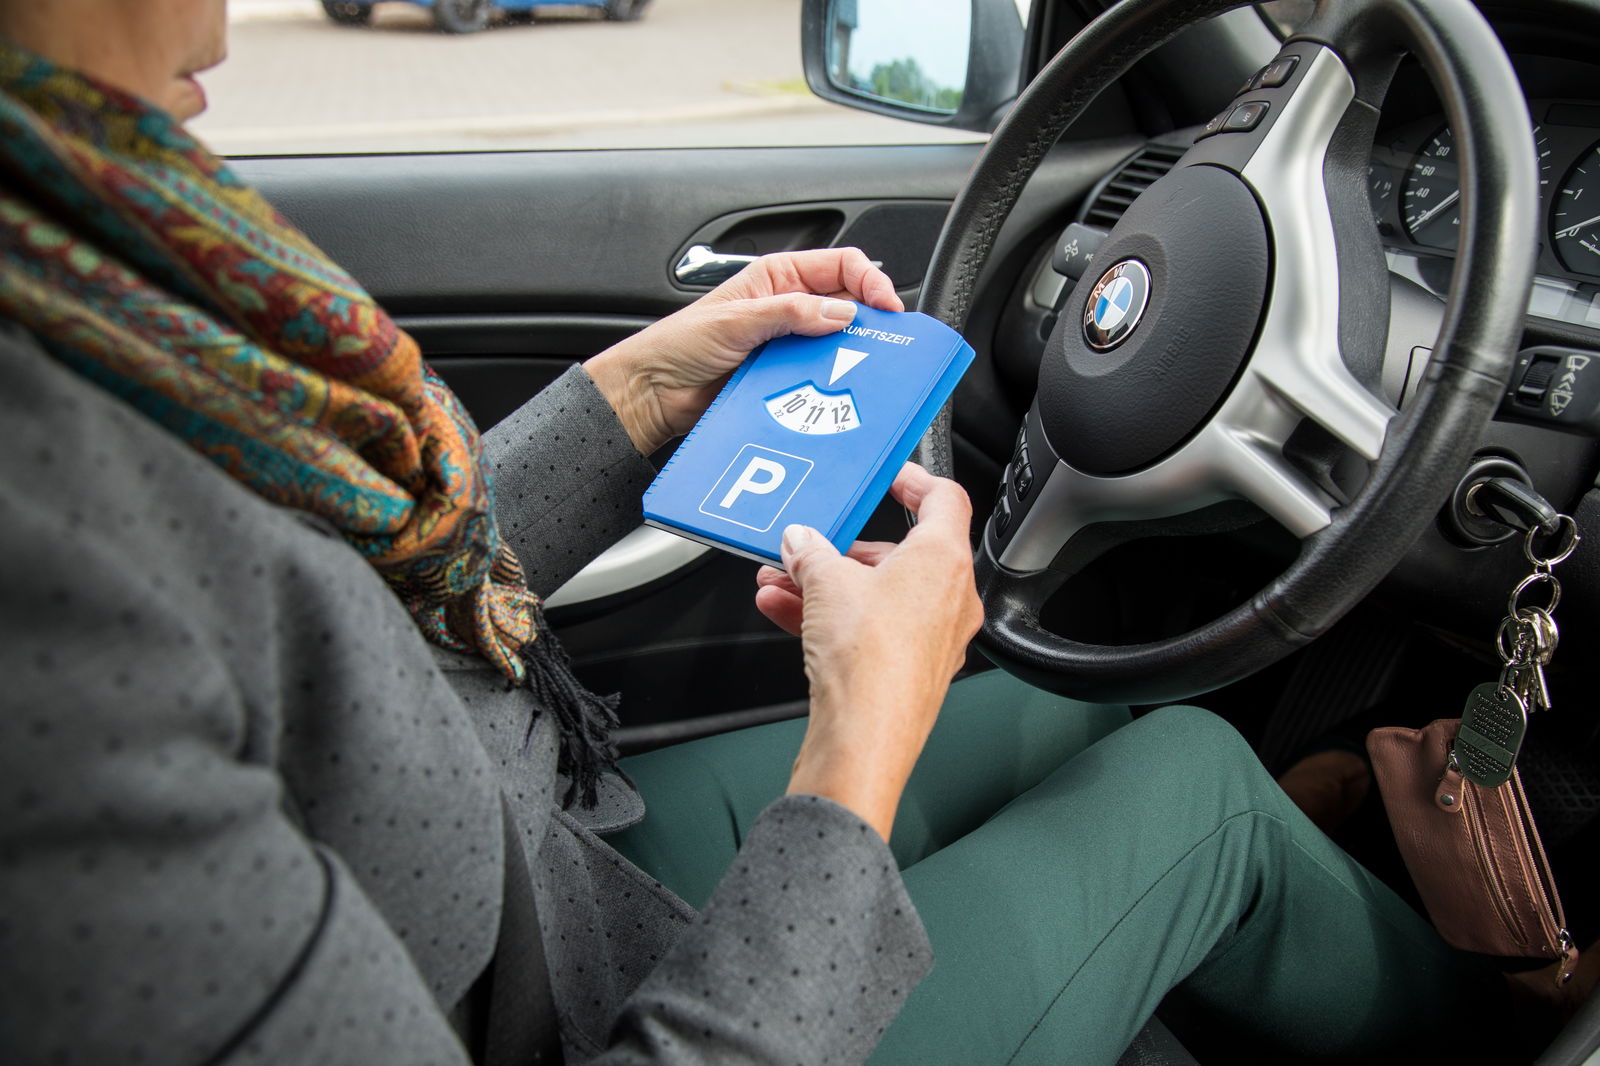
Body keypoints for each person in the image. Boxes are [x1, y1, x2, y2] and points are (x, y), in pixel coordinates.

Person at [0, 2, 1518, 1064]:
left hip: (538, 886)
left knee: (1091, 706)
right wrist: (855, 749)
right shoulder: (45, 615)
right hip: (600, 1015)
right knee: (1199, 789)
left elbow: (341, 598)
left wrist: (640, 395)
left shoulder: (87, 306)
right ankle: (1514, 1015)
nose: (211, 28)